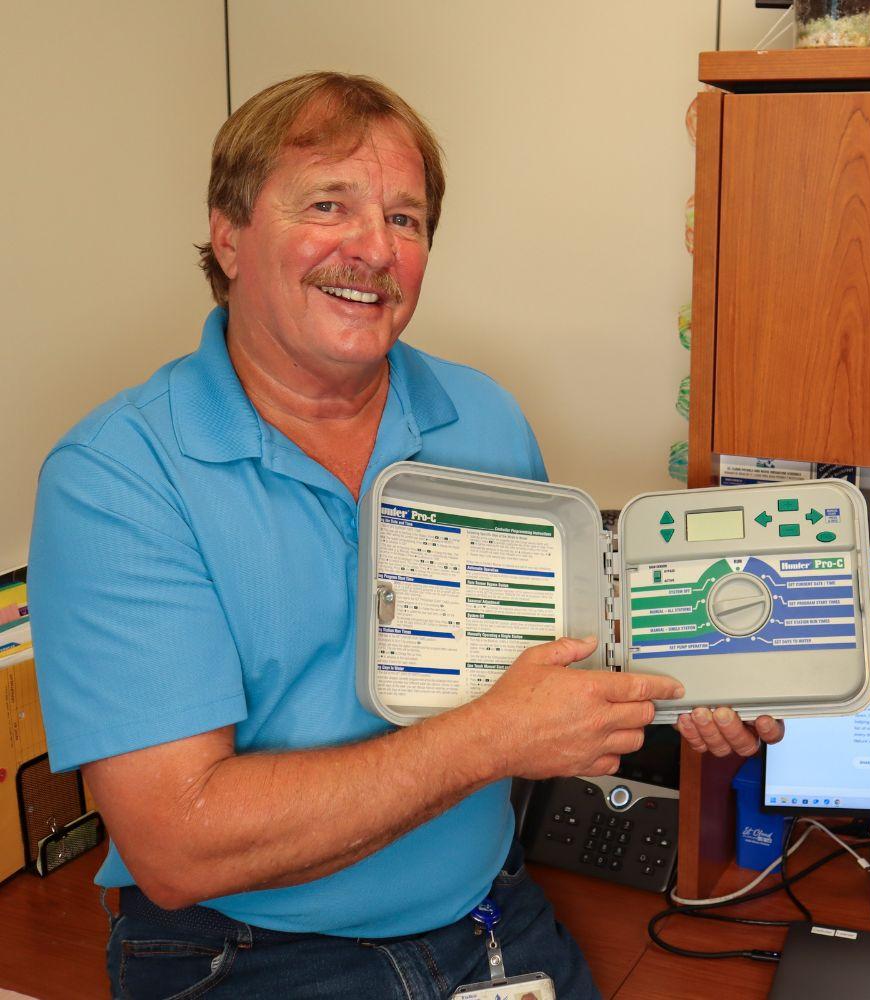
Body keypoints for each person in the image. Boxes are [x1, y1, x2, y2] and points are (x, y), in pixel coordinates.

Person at [29, 72, 783, 999]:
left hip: (486, 917)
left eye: (407, 219)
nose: (372, 249)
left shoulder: (484, 418)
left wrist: (695, 688)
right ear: (228, 236)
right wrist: (488, 741)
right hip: (246, 950)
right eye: (327, 204)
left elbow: (561, 674)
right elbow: (178, 846)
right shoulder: (117, 479)